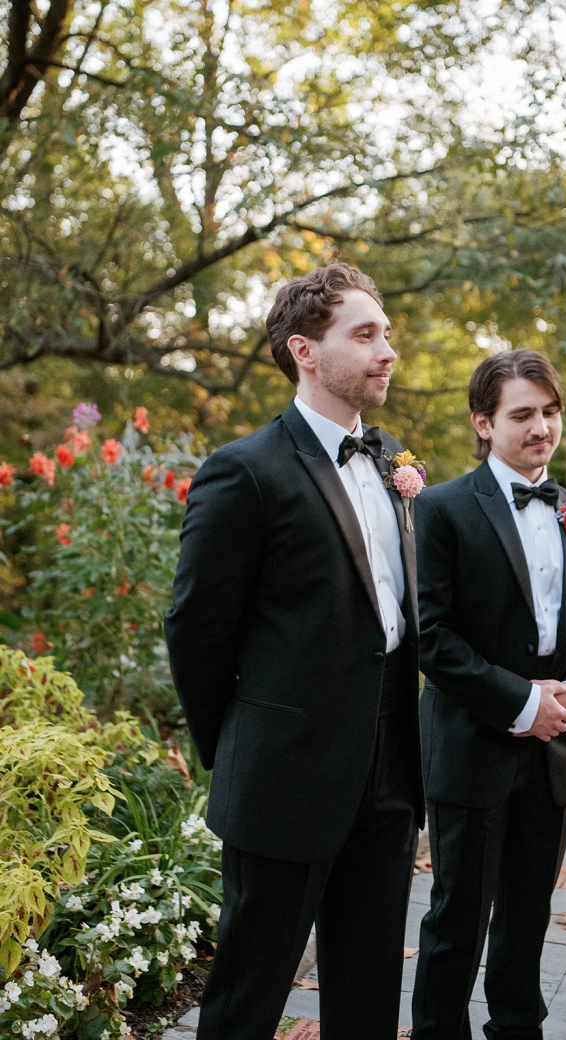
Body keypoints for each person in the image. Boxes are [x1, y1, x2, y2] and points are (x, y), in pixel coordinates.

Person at [165, 264, 423, 1040]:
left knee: (370, 992)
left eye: (388, 334)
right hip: (285, 771)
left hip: (388, 769)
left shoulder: (389, 458)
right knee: (248, 1000)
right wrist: (243, 744)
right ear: (305, 350)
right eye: (366, 334)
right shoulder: (244, 471)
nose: (388, 352)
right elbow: (195, 631)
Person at [409, 350, 566, 1038]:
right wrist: (521, 704)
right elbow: (432, 635)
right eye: (523, 414)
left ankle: (516, 1027)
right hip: (473, 743)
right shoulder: (441, 509)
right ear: (484, 422)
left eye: (550, 412)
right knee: (456, 920)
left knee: (529, 913)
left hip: (557, 748)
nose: (541, 428)